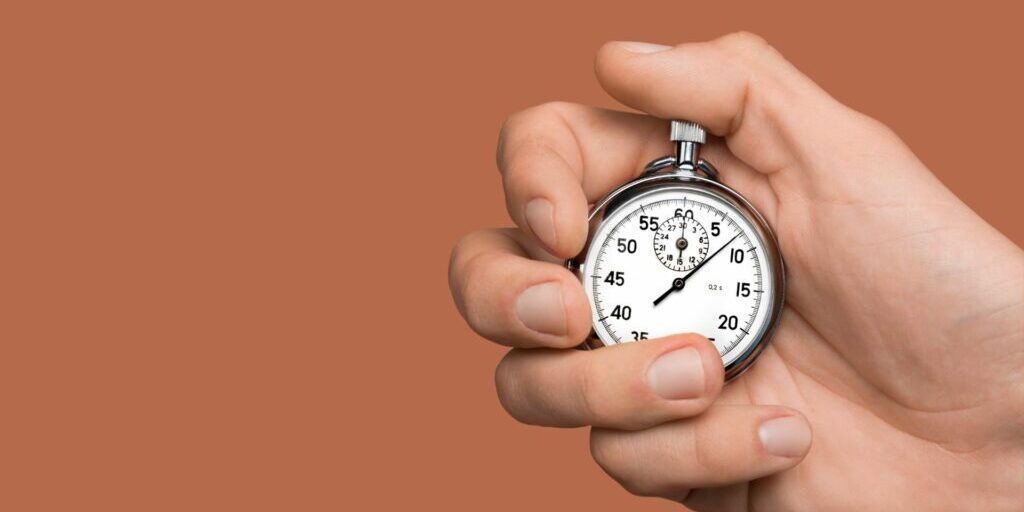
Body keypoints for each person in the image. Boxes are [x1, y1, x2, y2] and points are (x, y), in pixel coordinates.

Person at [447, 33, 1024, 510]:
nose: (677, 283)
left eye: (687, 277)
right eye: (676, 279)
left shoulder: (761, 239)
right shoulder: (622, 228)